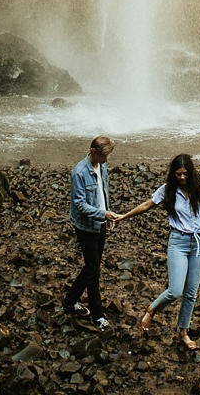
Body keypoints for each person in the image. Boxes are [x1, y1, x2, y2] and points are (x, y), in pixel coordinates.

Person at [116, 153, 200, 350]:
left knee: (191, 293)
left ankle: (183, 332)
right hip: (178, 242)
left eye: (185, 174)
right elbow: (147, 205)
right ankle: (151, 309)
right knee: (176, 290)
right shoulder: (168, 190)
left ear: (191, 172)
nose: (182, 178)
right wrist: (124, 216)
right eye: (178, 174)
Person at [64, 134, 116, 329]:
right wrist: (104, 213)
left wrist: (107, 216)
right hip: (86, 226)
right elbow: (79, 205)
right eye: (104, 156)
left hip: (101, 222)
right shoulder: (79, 172)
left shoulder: (101, 166)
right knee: (93, 270)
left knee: (91, 266)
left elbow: (103, 192)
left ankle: (70, 300)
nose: (106, 160)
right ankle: (98, 315)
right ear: (93, 152)